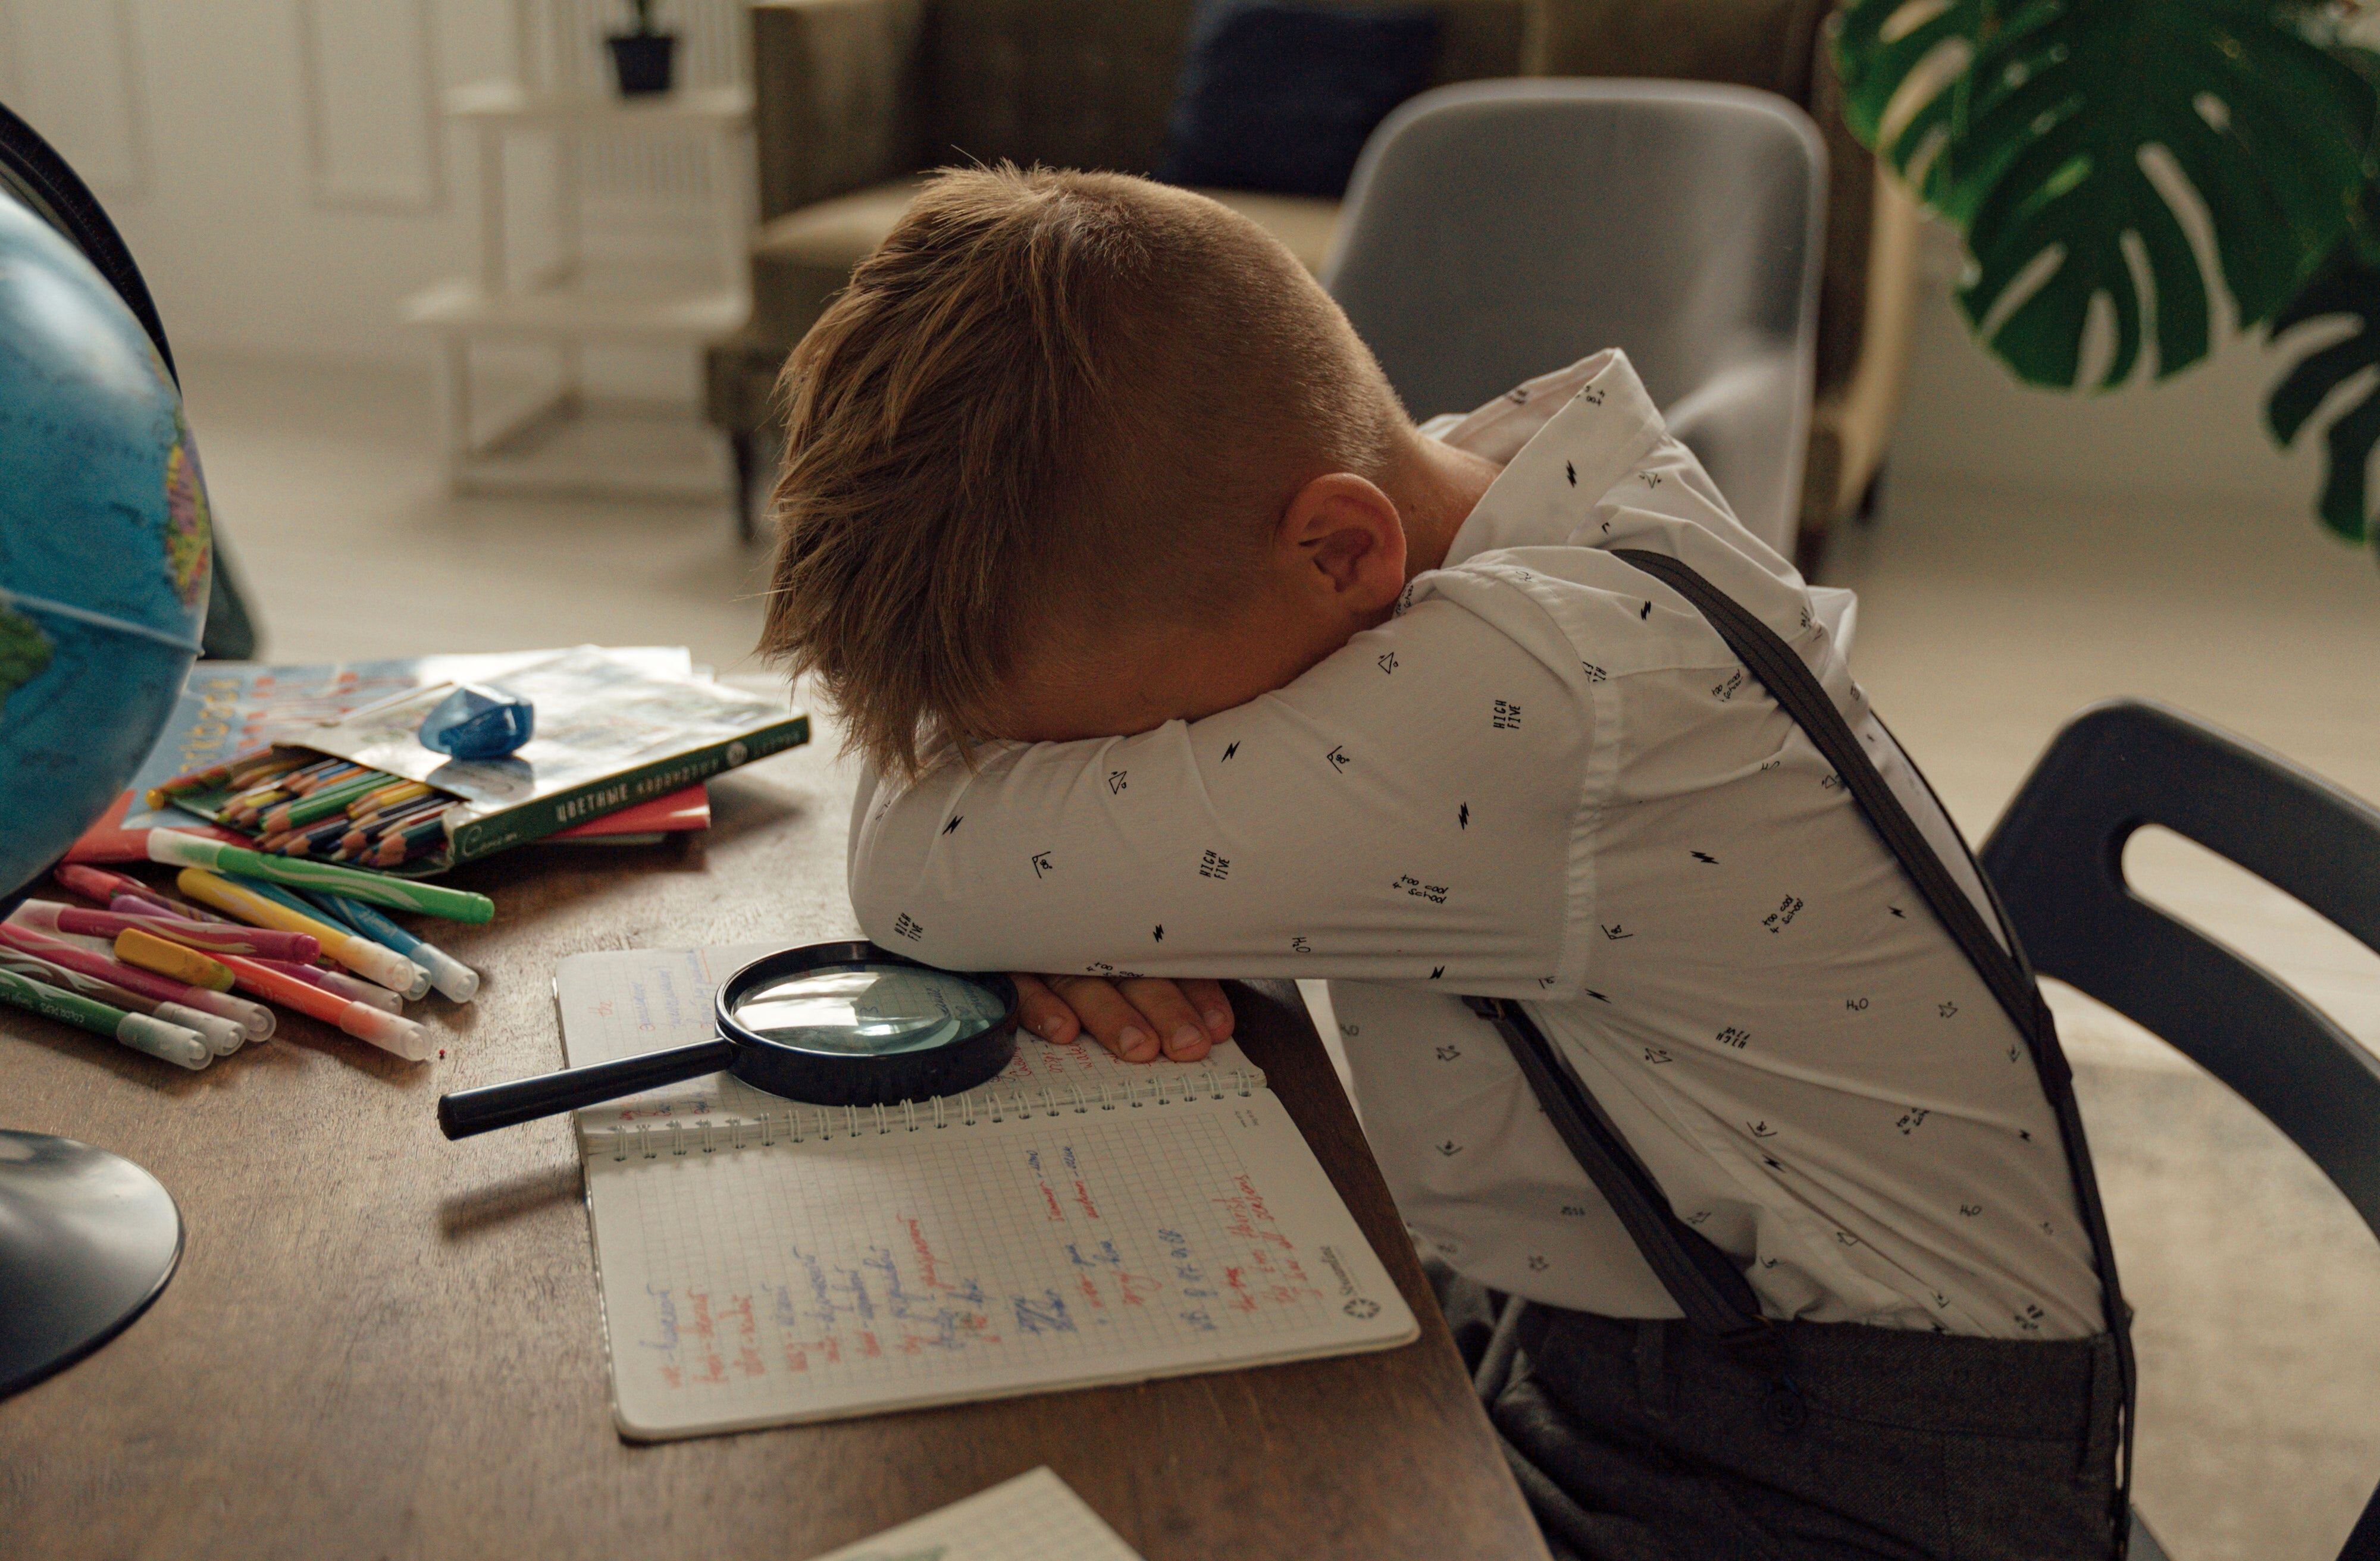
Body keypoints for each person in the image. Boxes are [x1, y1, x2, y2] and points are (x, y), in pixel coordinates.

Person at [760, 164, 2130, 1560]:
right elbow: (963, 842)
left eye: (1124, 749)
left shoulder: (1531, 693)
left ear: (1338, 548)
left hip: (1851, 1477)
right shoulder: (1458, 498)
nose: (1104, 784)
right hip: (1619, 1331)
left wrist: (1036, 871)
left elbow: (920, 863)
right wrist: (1057, 866)